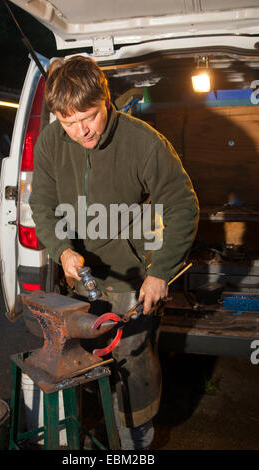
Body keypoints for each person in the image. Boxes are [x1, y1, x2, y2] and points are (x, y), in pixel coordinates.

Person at [29, 55, 199, 450]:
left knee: (133, 361)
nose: (80, 130)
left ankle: (136, 441)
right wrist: (62, 252)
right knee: (81, 360)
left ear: (106, 99)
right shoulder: (54, 141)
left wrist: (160, 272)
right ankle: (92, 432)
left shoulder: (143, 142)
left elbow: (183, 205)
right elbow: (42, 205)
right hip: (79, 276)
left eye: (87, 116)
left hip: (130, 275)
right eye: (68, 121)